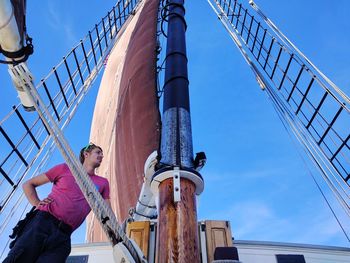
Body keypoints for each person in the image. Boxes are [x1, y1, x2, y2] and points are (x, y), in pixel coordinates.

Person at [3, 143, 111, 263]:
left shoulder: (103, 183)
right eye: (98, 152)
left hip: (64, 236)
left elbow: (107, 210)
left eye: (102, 154)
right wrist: (37, 203)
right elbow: (28, 184)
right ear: (86, 154)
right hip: (42, 223)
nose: (101, 155)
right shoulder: (65, 168)